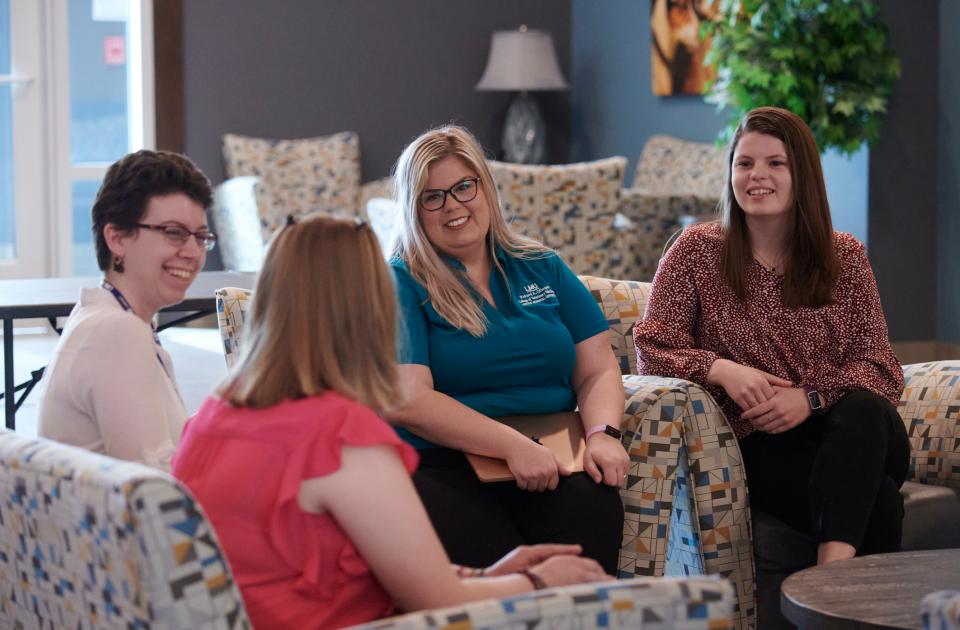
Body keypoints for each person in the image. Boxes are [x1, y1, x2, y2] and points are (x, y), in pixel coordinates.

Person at [171, 216, 611, 630]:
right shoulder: (343, 437)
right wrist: (542, 582)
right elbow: (439, 603)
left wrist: (482, 576)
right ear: (370, 308)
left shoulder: (213, 413)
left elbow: (320, 554)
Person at [633, 107, 909, 564]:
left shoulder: (845, 256)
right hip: (757, 442)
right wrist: (721, 370)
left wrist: (810, 397)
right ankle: (836, 584)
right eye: (745, 163)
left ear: (802, 173)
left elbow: (880, 367)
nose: (756, 176)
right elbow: (652, 350)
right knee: (877, 502)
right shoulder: (696, 252)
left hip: (852, 431)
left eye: (775, 163)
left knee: (863, 406)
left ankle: (825, 589)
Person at [385, 125, 628, 576]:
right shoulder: (400, 281)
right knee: (508, 585)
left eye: (463, 187)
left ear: (485, 188)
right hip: (444, 464)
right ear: (413, 210)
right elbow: (408, 398)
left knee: (591, 530)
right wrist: (512, 446)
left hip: (553, 454)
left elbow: (597, 370)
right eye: (432, 197)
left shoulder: (542, 265)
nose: (453, 205)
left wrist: (603, 436)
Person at [36, 150, 216, 472]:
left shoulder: (102, 316)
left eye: (201, 237)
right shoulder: (117, 332)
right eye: (174, 233)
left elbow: (158, 446)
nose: (192, 252)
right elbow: (155, 488)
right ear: (117, 238)